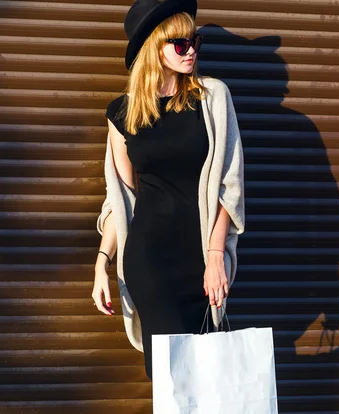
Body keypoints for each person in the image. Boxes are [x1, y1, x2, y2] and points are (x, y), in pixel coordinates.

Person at [92, 0, 245, 379]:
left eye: (195, 41)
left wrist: (214, 256)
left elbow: (231, 183)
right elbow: (121, 197)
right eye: (180, 44)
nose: (191, 50)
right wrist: (102, 262)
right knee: (172, 378)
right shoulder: (122, 114)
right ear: (154, 48)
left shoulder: (211, 98)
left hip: (202, 260)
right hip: (151, 262)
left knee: (211, 376)